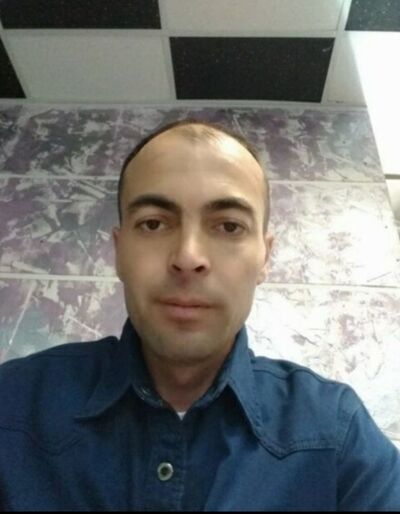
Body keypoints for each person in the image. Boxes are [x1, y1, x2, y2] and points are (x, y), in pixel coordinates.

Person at [0, 119, 399, 511]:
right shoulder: (12, 403)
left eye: (229, 227)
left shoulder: (336, 436)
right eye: (153, 223)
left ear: (265, 257)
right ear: (119, 252)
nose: (188, 257)